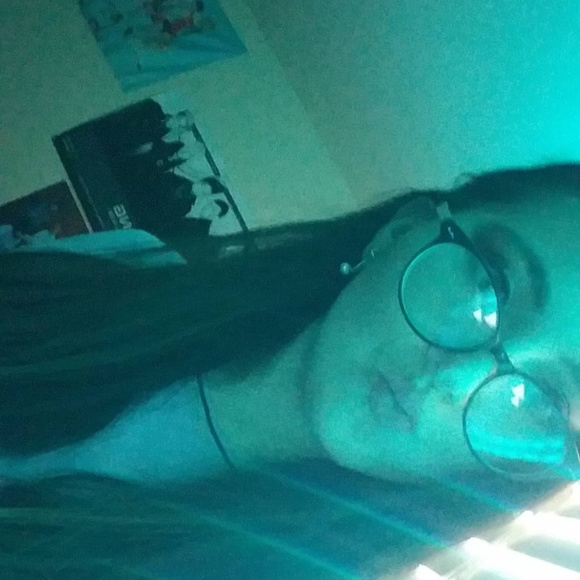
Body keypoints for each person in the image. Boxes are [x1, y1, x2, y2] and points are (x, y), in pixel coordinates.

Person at [0, 162, 579, 578]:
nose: (456, 381)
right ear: (402, 232)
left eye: (550, 401)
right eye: (493, 284)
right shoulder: (105, 268)